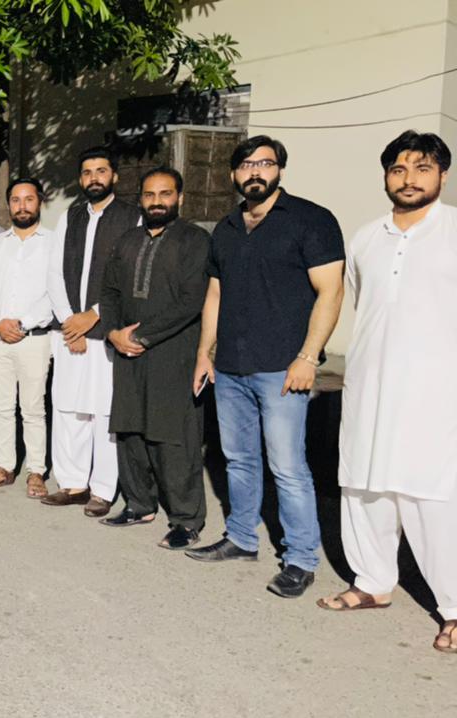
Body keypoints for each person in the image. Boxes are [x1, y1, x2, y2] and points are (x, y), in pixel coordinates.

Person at [186, 136, 345, 600]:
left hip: (283, 368)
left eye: (265, 163)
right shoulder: (227, 227)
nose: (255, 171)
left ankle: (301, 558)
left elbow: (331, 291)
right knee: (238, 459)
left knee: (288, 466)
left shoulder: (311, 220)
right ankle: (241, 537)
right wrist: (204, 353)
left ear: (279, 170)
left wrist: (308, 356)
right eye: (246, 165)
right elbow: (215, 295)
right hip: (231, 366)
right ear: (234, 174)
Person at [318, 130, 457, 654]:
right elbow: (367, 303)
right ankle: (373, 582)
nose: (409, 179)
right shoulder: (365, 238)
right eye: (399, 169)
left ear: (442, 175)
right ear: (385, 176)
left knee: (431, 495)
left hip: (436, 388)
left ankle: (454, 607)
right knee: (363, 483)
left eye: (422, 168)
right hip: (370, 380)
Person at [98, 167, 209, 551]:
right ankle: (139, 504)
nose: (157, 201)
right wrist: (114, 332)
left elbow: (192, 300)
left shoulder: (194, 240)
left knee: (173, 435)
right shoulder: (128, 240)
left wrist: (142, 335)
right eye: (149, 195)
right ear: (140, 199)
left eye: (165, 194)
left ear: (179, 197)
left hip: (173, 351)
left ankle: (186, 519)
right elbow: (109, 291)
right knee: (130, 429)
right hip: (128, 352)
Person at [44, 147, 142, 517]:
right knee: (68, 409)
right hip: (70, 331)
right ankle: (72, 484)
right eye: (87, 172)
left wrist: (93, 316)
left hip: (106, 331)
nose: (94, 178)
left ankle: (102, 489)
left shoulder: (132, 217)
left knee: (104, 413)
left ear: (114, 176)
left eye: (101, 171)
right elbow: (54, 272)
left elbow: (129, 276)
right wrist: (71, 322)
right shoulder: (70, 217)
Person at [0, 178, 55, 494]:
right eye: (16, 200)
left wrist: (22, 324)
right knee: (1, 406)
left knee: (33, 409)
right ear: (9, 205)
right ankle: (4, 466)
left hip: (34, 338)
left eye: (28, 199)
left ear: (39, 201)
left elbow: (55, 293)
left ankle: (36, 471)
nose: (22, 206)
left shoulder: (53, 243)